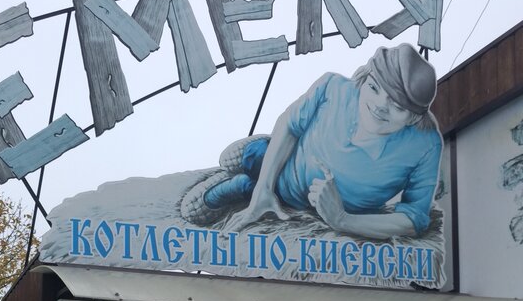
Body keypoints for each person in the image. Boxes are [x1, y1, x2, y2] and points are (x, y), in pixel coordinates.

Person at [180, 43, 442, 240]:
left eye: (397, 106)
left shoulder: (426, 145)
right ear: (364, 80)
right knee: (255, 161)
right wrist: (263, 189)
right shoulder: (333, 87)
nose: (379, 106)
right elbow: (290, 123)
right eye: (374, 88)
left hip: (316, 204)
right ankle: (255, 165)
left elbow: (414, 218)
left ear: (413, 118)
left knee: (261, 188)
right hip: (288, 175)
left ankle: (247, 181)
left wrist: (342, 219)